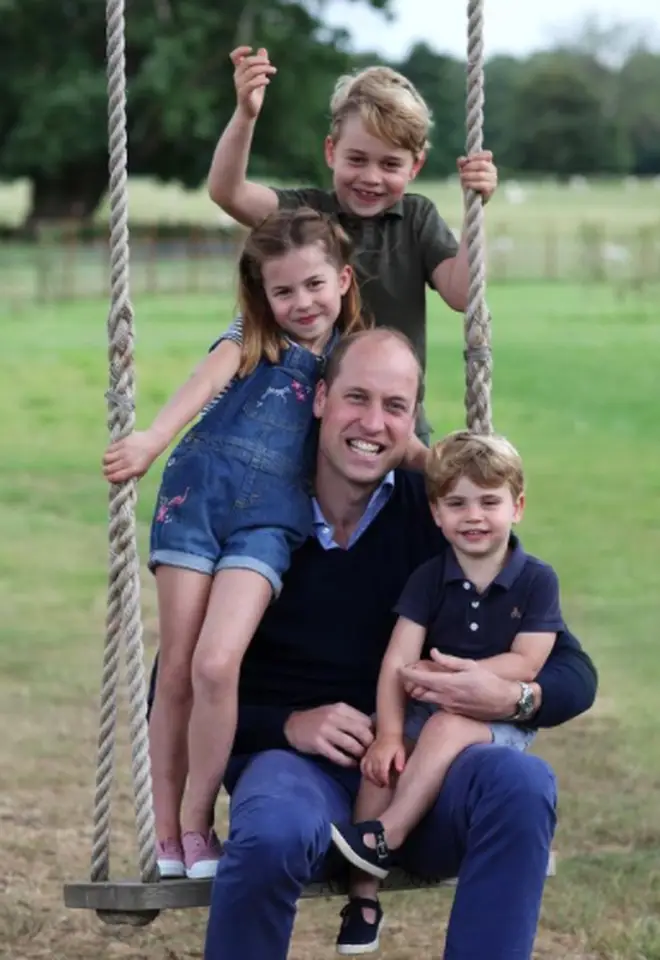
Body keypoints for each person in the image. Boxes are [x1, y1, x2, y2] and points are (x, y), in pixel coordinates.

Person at [152, 327, 597, 960]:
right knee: (274, 823)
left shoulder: (438, 512)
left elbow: (573, 670)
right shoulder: (257, 512)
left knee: (520, 785)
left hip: (424, 774)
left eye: (395, 406)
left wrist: (510, 696)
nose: (373, 423)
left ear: (414, 418)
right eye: (356, 398)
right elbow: (177, 681)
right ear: (320, 398)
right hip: (296, 772)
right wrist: (287, 725)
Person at [102, 207, 380, 882]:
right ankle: (167, 833)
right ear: (263, 295)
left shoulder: (350, 358)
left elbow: (380, 427)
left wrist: (442, 467)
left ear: (343, 279)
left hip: (270, 520)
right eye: (283, 291)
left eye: (314, 285)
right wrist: (151, 438)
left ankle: (199, 820)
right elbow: (202, 386)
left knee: (216, 665)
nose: (301, 303)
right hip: (196, 499)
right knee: (175, 669)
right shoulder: (251, 336)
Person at [329, 430, 564, 955]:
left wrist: (462, 678)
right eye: (456, 503)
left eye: (489, 502)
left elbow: (528, 660)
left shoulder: (536, 582)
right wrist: (389, 734)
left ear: (517, 507)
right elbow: (397, 660)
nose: (473, 516)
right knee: (379, 763)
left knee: (447, 724)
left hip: (495, 717)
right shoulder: (429, 578)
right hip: (427, 702)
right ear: (436, 513)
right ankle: (364, 896)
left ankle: (387, 832)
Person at [207, 51, 498, 442]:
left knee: (413, 498)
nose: (371, 177)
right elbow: (229, 192)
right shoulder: (306, 214)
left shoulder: (416, 219)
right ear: (331, 152)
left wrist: (474, 208)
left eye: (390, 165)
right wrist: (246, 114)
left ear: (415, 167)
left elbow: (463, 294)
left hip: (396, 426)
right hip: (308, 426)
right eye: (357, 159)